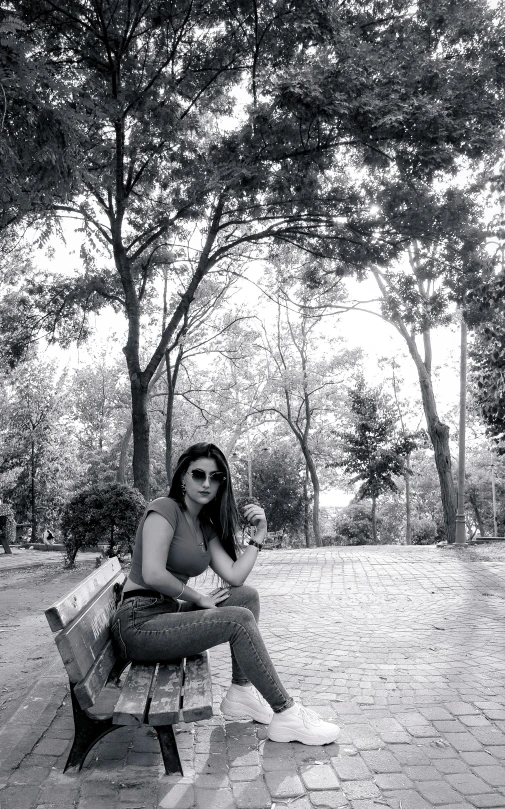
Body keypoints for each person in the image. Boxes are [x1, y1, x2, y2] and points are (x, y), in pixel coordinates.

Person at [112, 442, 340, 745]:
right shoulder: (164, 510)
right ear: (183, 477)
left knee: (245, 596)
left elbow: (234, 575)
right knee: (238, 620)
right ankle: (286, 713)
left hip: (163, 614)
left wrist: (260, 534)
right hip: (138, 623)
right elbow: (153, 573)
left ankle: (241, 691)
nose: (207, 483)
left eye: (216, 477)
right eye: (198, 474)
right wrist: (198, 598)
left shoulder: (203, 525)